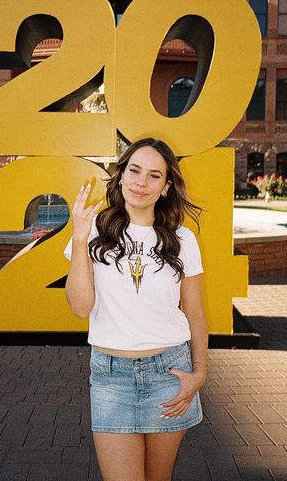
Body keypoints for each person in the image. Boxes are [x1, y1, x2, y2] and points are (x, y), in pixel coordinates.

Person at [64, 138, 208, 481]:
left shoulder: (182, 239)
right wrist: (80, 238)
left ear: (166, 187)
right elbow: (80, 307)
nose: (141, 182)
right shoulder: (96, 230)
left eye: (154, 175)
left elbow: (195, 311)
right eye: (134, 170)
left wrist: (199, 372)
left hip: (168, 374)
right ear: (122, 176)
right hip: (111, 378)